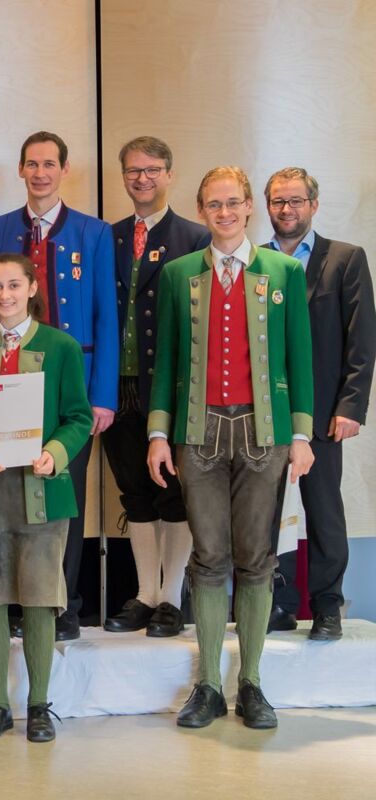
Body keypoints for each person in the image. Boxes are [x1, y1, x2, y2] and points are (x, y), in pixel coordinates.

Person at [148, 166, 314, 730]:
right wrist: (158, 433)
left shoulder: (283, 271)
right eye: (213, 204)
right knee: (208, 555)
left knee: (257, 557)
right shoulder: (179, 274)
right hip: (198, 433)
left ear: (248, 208)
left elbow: (299, 356)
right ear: (202, 211)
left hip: (264, 434)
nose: (224, 213)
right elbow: (166, 362)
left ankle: (252, 683)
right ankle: (209, 686)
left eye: (233, 203)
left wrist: (300, 435)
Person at [0, 253, 92, 743]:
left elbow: (78, 417)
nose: (4, 295)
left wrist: (55, 452)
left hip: (41, 489)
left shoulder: (61, 347)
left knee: (40, 598)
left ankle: (39, 705)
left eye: (13, 285)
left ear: (31, 288)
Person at [0, 132, 117, 640]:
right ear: (20, 170)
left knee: (65, 494)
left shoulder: (93, 232)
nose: (40, 173)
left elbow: (106, 314)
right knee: (12, 495)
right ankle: (19, 603)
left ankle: (64, 604)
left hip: (72, 384)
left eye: (49, 164)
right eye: (32, 164)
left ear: (64, 170)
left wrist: (102, 395)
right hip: (9, 385)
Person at [102, 137, 209, 637]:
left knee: (174, 492)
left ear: (169, 174)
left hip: (170, 387)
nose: (142, 179)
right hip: (116, 387)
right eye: (132, 171)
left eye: (151, 170)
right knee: (134, 493)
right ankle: (146, 594)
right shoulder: (108, 237)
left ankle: (172, 598)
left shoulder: (195, 236)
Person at [263, 167, 375, 640]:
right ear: (267, 207)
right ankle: (279, 603)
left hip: (326, 413)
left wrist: (351, 407)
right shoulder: (255, 261)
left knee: (323, 510)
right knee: (269, 513)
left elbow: (362, 340)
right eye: (278, 201)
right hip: (265, 414)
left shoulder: (345, 259)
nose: (286, 209)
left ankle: (328, 606)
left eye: (295, 200)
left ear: (313, 204)